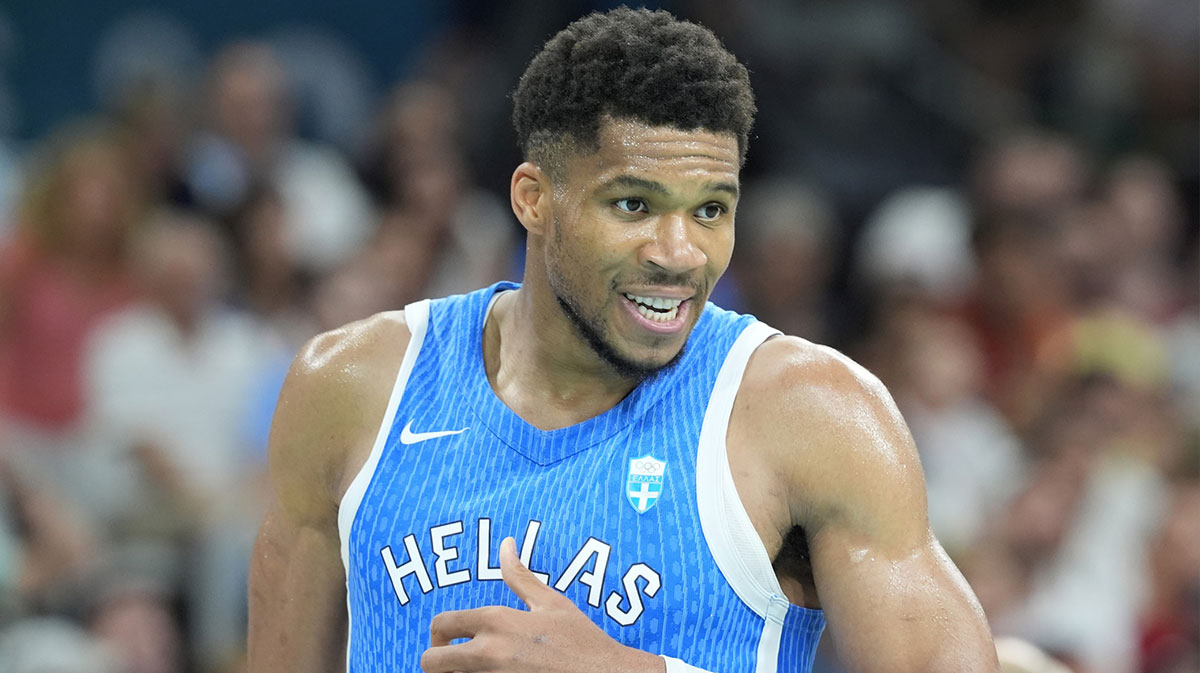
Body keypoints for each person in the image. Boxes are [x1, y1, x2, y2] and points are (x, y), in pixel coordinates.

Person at [248, 8, 997, 673]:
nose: (679, 253)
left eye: (710, 210)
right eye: (634, 205)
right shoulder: (353, 386)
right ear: (533, 199)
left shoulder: (809, 411)